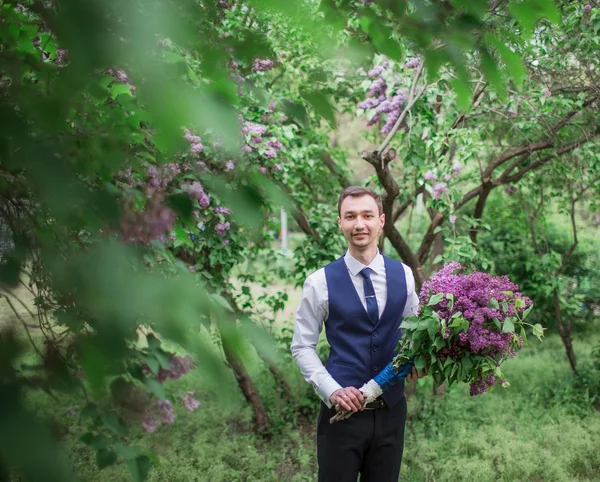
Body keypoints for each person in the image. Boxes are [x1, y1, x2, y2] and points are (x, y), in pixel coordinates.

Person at [291, 186, 426, 482]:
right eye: (350, 216)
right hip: (342, 416)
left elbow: (416, 335)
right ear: (340, 223)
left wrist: (421, 359)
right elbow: (302, 346)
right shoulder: (319, 282)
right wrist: (333, 390)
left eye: (367, 215)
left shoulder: (403, 274)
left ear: (382, 221)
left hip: (391, 411)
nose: (359, 224)